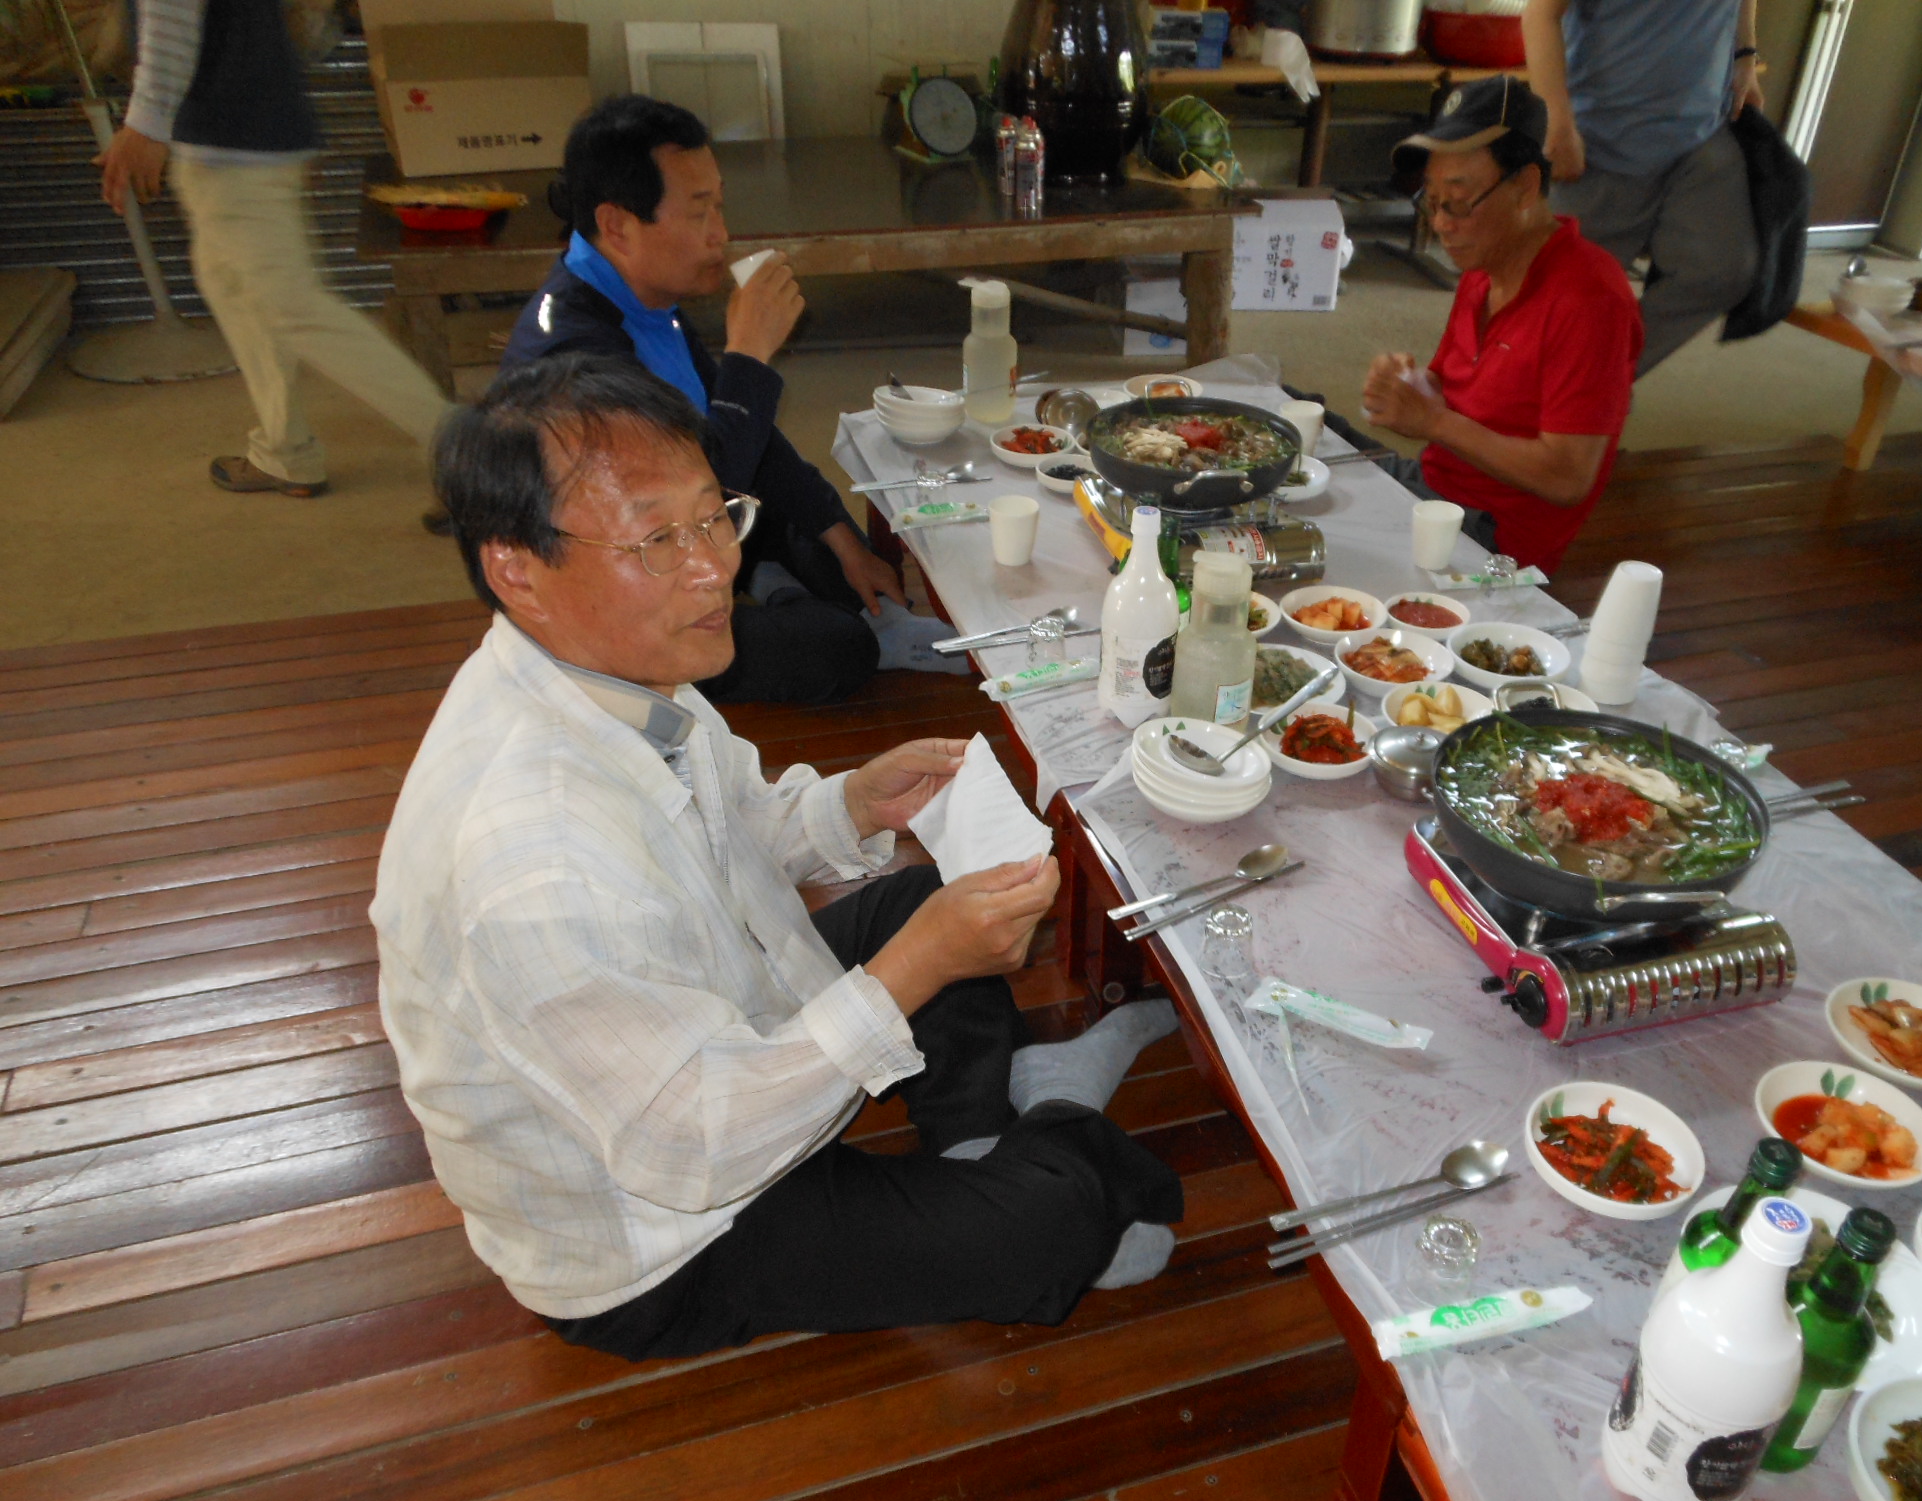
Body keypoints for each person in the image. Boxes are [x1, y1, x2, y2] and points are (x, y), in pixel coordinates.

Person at [370, 353, 1184, 1358]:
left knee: (921, 899)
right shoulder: (533, 864)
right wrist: (914, 968)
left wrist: (853, 802)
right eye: (656, 540)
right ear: (517, 570)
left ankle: (982, 1139)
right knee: (1047, 1217)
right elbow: (694, 1147)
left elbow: (731, 824)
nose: (712, 568)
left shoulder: (609, 668)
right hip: (664, 1232)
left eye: (713, 517)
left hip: (722, 1031)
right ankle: (1045, 1128)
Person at [495, 94, 963, 705]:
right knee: (837, 650)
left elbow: (746, 433)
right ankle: (793, 598)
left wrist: (845, 542)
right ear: (617, 226)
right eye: (698, 213)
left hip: (687, 539)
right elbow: (693, 505)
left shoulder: (646, 301)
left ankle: (792, 589)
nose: (720, 233)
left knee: (830, 537)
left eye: (719, 205)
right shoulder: (572, 352)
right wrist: (750, 354)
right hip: (622, 600)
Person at [95, 0, 448, 498]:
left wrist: (144, 126)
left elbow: (171, 20)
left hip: (234, 147)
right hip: (244, 137)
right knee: (237, 294)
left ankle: (466, 447)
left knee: (296, 309)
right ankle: (286, 452)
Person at [1361, 75, 1642, 576]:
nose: (1441, 224)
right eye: (1432, 202)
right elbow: (1455, 393)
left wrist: (1434, 423)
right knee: (1289, 455)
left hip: (1491, 543)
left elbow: (1567, 477)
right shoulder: (1484, 267)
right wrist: (1409, 385)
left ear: (1525, 187)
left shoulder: (1590, 298)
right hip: (1432, 496)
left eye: (1458, 202)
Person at [1522, 0, 1764, 375]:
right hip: (1600, 142)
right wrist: (1556, 119)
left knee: (1722, 270)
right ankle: (1562, 389)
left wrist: (1744, 54)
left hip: (1701, 133)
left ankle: (1598, 382)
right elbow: (1540, 14)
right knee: (1557, 304)